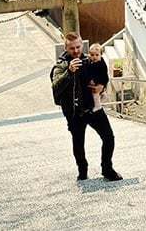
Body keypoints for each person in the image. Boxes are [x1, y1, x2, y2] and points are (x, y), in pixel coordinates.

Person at [51, 32, 122, 182]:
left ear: (82, 45)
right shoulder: (61, 64)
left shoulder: (90, 59)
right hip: (74, 112)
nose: (76, 51)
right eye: (72, 48)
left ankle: (107, 169)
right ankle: (82, 171)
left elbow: (103, 75)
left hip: (92, 108)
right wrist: (69, 72)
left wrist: (102, 86)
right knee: (78, 143)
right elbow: (56, 87)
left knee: (109, 137)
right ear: (66, 48)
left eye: (78, 47)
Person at [87, 44, 108, 113]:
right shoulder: (92, 62)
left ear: (101, 55)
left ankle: (97, 106)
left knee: (95, 94)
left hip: (100, 81)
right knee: (95, 93)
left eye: (97, 55)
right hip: (96, 81)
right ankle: (103, 95)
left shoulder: (100, 64)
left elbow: (104, 75)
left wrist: (98, 82)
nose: (94, 57)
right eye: (92, 55)